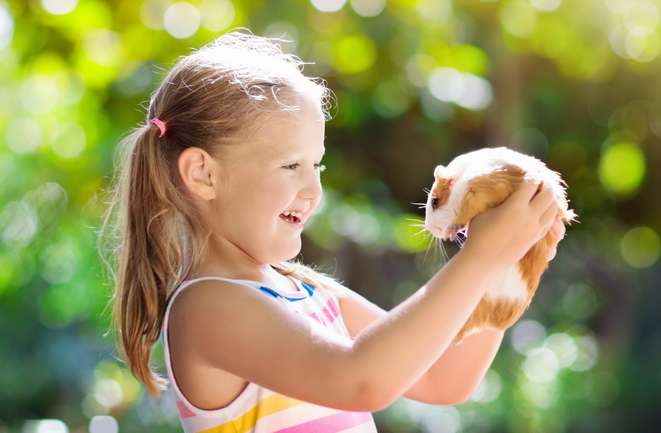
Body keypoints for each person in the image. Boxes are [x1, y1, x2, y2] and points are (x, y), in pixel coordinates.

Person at [98, 28, 564, 433]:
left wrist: (509, 263)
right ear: (202, 174)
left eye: (316, 164)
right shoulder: (207, 306)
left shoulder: (309, 295)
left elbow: (444, 378)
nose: (313, 190)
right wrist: (479, 259)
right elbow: (361, 380)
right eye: (291, 165)